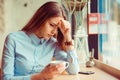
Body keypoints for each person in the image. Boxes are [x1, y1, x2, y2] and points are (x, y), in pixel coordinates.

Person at [1, 1, 79, 80]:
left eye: (57, 28)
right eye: (52, 25)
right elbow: (6, 78)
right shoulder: (13, 39)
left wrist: (67, 36)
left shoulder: (52, 43)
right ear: (41, 19)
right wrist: (40, 76)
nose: (54, 32)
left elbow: (73, 70)